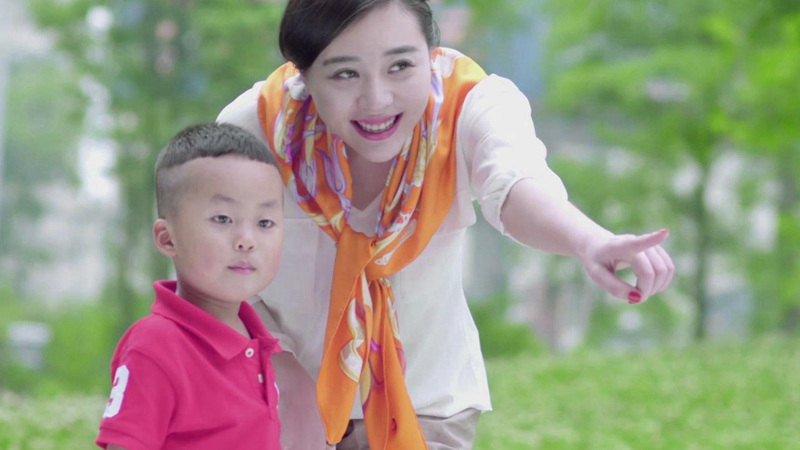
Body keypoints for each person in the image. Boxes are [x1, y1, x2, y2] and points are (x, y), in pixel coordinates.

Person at [217, 0, 675, 448]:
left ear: (431, 52)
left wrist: (587, 240)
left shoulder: (470, 105)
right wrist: (283, 377)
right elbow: (214, 276)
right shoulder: (255, 129)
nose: (377, 99)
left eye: (400, 66)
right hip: (273, 396)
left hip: (426, 404)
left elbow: (513, 183)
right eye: (345, 74)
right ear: (302, 74)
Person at [95, 123, 285, 450]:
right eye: (223, 219)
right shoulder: (156, 345)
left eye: (264, 222)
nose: (247, 240)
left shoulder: (258, 338)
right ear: (167, 238)